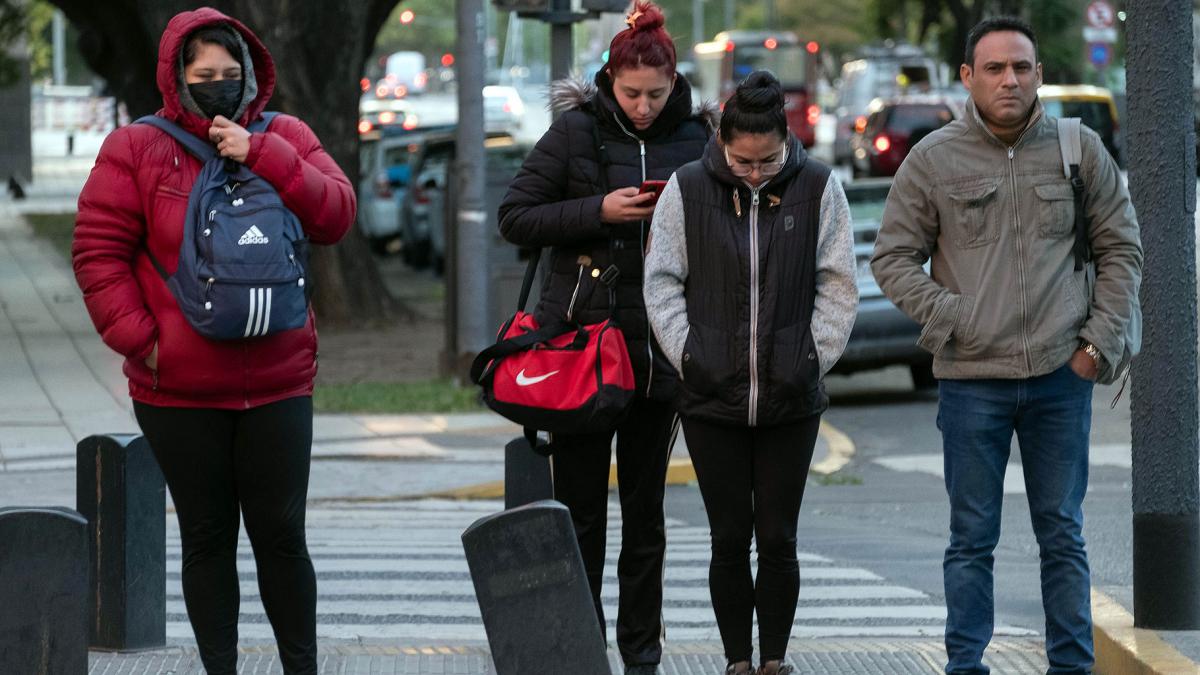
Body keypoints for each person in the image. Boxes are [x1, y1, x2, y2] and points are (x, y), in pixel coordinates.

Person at [72, 8, 355, 674]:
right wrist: (144, 341)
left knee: (283, 537)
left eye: (231, 75)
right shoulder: (137, 149)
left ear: (251, 75)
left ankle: (301, 667)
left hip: (279, 380)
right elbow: (98, 252)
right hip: (179, 388)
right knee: (206, 537)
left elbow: (336, 214)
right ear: (177, 77)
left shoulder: (286, 135)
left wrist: (266, 156)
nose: (221, 86)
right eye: (206, 76)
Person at [870, 17, 1142, 675]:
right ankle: (966, 665)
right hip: (970, 379)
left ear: (1039, 74)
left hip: (1059, 374)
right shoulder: (933, 158)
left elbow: (1122, 250)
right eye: (994, 68)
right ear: (968, 77)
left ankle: (1071, 666)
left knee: (1063, 534)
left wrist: (1095, 348)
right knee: (971, 539)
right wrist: (951, 316)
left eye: (1021, 67)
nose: (1009, 79)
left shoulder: (1080, 150)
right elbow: (892, 258)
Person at [497, 2, 715, 672]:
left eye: (655, 94)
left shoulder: (702, 136)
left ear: (674, 82)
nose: (644, 108)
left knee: (646, 516)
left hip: (660, 350)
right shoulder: (573, 132)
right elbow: (516, 215)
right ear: (608, 81)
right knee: (581, 512)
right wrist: (600, 210)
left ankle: (641, 652)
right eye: (630, 94)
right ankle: (581, 648)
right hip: (585, 351)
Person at [643, 71, 858, 675]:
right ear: (723, 144)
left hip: (792, 395)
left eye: (768, 160)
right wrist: (690, 353)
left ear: (786, 143)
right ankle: (738, 660)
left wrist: (811, 356)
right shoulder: (688, 188)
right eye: (743, 161)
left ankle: (775, 660)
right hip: (710, 395)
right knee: (729, 539)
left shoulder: (818, 187)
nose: (756, 172)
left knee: (780, 538)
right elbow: (662, 280)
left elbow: (838, 283)